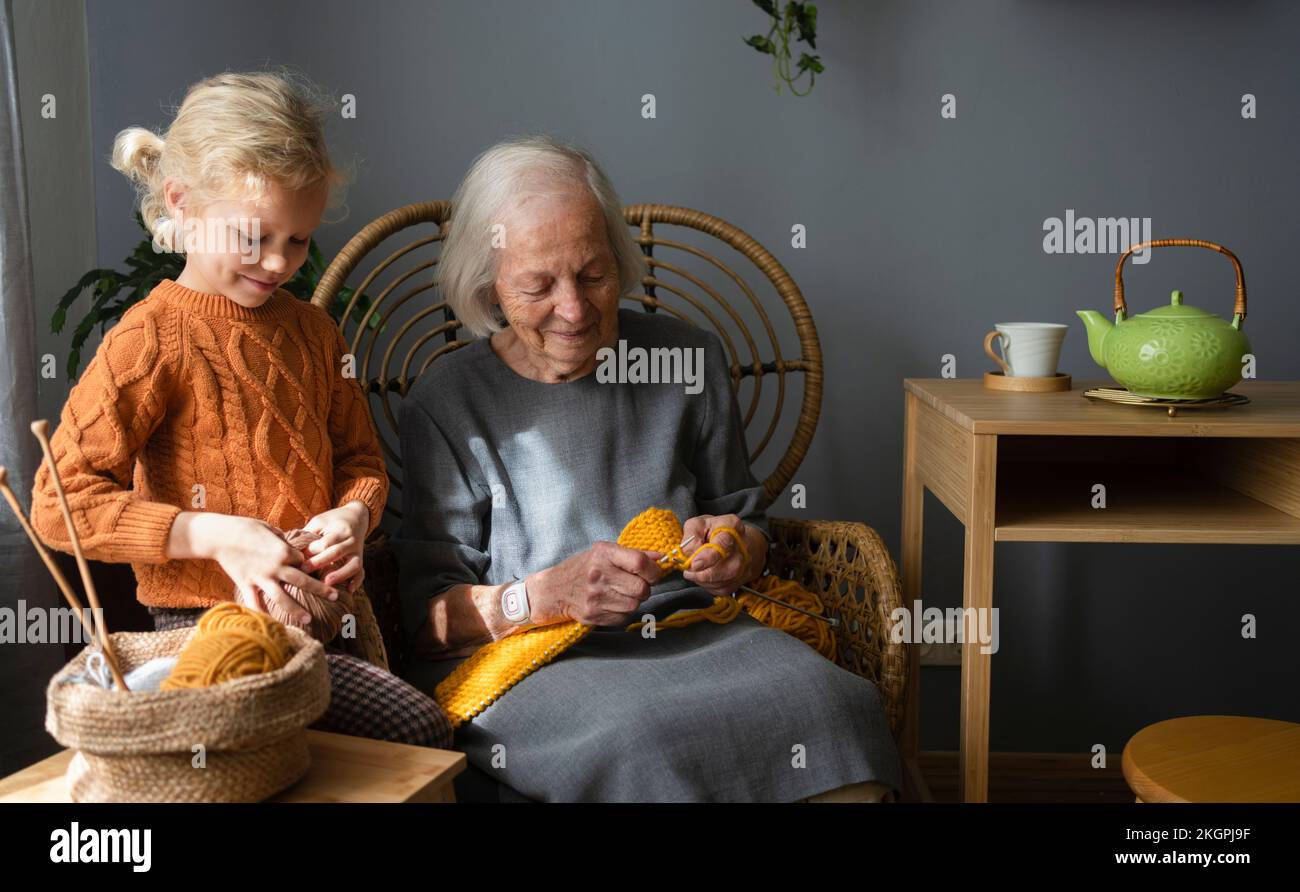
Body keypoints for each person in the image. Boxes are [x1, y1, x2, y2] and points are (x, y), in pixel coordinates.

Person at [396, 134, 900, 799]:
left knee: (836, 704)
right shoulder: (448, 400)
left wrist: (732, 548)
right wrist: (544, 596)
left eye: (593, 274)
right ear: (489, 286)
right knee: (641, 738)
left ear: (619, 261)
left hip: (703, 629)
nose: (574, 309)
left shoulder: (687, 358)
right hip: (541, 660)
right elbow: (425, 619)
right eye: (537, 285)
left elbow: (748, 525)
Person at [32, 71, 450, 748]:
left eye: (298, 239)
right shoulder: (151, 338)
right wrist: (221, 537)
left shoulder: (314, 334)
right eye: (255, 236)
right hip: (205, 632)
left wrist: (354, 513)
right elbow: (59, 502)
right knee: (408, 733)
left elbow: (360, 460)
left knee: (404, 743)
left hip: (323, 619)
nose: (279, 262)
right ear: (183, 203)